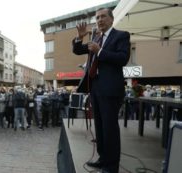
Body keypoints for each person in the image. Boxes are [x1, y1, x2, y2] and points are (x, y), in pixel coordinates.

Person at [72, 8, 130, 173]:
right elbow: (77, 50)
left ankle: (112, 166)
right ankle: (103, 159)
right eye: (97, 17)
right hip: (95, 88)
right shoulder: (96, 37)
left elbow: (123, 59)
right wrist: (79, 37)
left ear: (111, 19)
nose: (99, 20)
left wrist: (100, 51)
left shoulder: (121, 36)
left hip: (111, 89)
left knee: (110, 128)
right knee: (100, 127)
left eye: (103, 16)